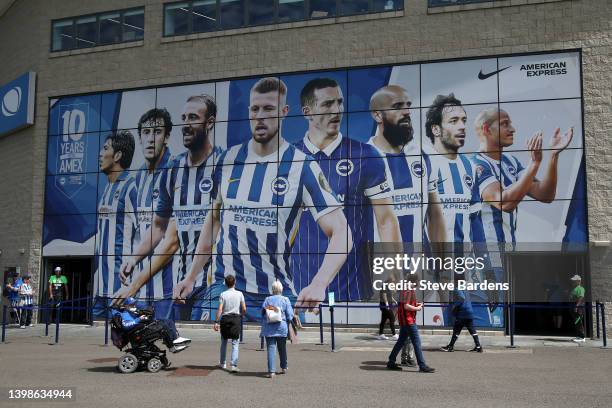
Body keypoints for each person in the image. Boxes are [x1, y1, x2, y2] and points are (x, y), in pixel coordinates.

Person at [174, 78, 351, 318]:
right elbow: (214, 220)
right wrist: (192, 275)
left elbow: (342, 232)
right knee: (212, 352)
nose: (260, 116)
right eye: (255, 109)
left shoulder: (302, 166)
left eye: (268, 109)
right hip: (223, 289)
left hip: (274, 293)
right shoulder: (228, 161)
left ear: (284, 112)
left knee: (284, 352)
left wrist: (320, 283)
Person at [292, 77, 401, 302]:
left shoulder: (366, 156)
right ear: (307, 112)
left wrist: (393, 272)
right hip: (296, 290)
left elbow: (386, 220)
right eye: (327, 104)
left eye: (340, 103)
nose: (337, 110)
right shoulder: (287, 159)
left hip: (352, 291)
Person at [117, 95, 218, 321]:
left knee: (207, 337)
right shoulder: (173, 169)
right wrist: (133, 259)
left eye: (193, 117)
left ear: (209, 123)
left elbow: (171, 240)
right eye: (184, 118)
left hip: (213, 280)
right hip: (183, 282)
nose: (186, 124)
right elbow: (159, 226)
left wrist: (134, 285)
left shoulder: (223, 163)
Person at [113, 108, 177, 321]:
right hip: (140, 290)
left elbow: (171, 240)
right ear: (140, 137)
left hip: (169, 291)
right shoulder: (137, 179)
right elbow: (135, 232)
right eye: (146, 132)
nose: (151, 138)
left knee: (167, 339)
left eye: (157, 132)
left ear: (166, 136)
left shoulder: (176, 171)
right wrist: (131, 260)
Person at [94, 130, 138, 315]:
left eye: (105, 148)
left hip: (120, 289)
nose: (100, 153)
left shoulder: (130, 187)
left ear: (118, 155)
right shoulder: (107, 187)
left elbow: (144, 232)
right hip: (100, 289)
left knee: (120, 337)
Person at [387, 276, 435, 373]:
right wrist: (417, 308)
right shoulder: (408, 289)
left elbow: (405, 304)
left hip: (403, 321)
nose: (418, 283)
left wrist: (416, 304)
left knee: (400, 342)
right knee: (417, 342)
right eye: (418, 281)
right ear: (414, 281)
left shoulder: (404, 289)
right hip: (409, 321)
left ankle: (391, 362)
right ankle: (422, 366)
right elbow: (406, 306)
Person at [114, 297, 190, 353]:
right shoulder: (124, 314)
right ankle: (172, 346)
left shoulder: (131, 312)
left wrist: (141, 315)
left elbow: (138, 318)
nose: (134, 306)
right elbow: (126, 326)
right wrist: (139, 319)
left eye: (134, 304)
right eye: (131, 305)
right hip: (139, 333)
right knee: (164, 327)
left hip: (142, 328)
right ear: (126, 306)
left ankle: (175, 339)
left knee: (168, 321)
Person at [260, 281, 294, 378]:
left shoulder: (267, 299)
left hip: (269, 328)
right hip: (281, 327)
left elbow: (262, 312)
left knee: (271, 348)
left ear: (272, 289)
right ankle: (284, 367)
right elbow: (290, 315)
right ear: (281, 289)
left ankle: (271, 371)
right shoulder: (285, 299)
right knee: (282, 348)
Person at [214, 275, 246, 372]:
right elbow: (244, 308)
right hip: (235, 318)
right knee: (235, 343)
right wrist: (241, 315)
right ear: (234, 282)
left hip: (225, 319)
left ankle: (222, 363)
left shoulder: (223, 294)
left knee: (224, 342)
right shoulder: (240, 294)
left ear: (226, 283)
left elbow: (220, 309)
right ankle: (234, 365)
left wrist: (216, 322)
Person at [569, 274, 586, 343]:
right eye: (573, 281)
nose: (573, 282)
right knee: (576, 322)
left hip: (579, 308)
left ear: (578, 281)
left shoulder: (580, 288)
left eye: (574, 281)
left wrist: (576, 306)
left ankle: (582, 337)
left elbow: (581, 298)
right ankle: (579, 336)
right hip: (575, 307)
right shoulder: (575, 288)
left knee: (579, 322)